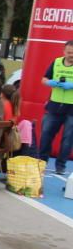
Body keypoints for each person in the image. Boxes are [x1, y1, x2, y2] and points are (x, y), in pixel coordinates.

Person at [38, 40, 73, 175]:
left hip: (72, 108)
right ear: (64, 52)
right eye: (69, 52)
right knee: (46, 134)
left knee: (67, 139)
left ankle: (60, 166)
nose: (71, 55)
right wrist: (51, 82)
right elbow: (44, 79)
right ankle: (42, 161)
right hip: (54, 105)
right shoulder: (57, 62)